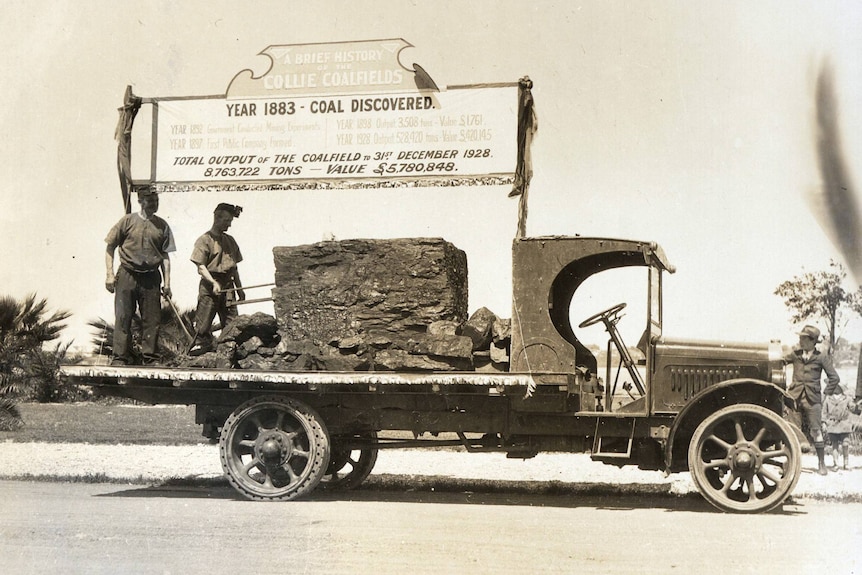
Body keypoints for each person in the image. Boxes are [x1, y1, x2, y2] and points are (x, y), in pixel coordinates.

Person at [105, 187, 175, 365]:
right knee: (123, 317)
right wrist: (109, 275)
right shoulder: (127, 221)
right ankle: (120, 357)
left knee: (152, 319)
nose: (154, 203)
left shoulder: (162, 225)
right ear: (140, 201)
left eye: (156, 200)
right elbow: (110, 247)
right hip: (127, 275)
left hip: (151, 278)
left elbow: (166, 256)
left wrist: (167, 284)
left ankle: (150, 358)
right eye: (150, 200)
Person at [783, 324, 840, 475]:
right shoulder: (795, 354)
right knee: (792, 431)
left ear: (812, 341)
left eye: (803, 338)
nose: (800, 340)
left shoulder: (821, 357)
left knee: (816, 431)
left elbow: (834, 378)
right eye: (800, 337)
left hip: (813, 399)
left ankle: (821, 464)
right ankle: (790, 465)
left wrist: (825, 394)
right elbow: (779, 362)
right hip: (794, 398)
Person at [189, 203, 245, 354]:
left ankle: (229, 353)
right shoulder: (204, 240)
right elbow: (201, 267)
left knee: (233, 324)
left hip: (228, 287)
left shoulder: (231, 241)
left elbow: (234, 268)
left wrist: (240, 289)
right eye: (226, 221)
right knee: (202, 326)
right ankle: (201, 355)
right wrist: (213, 283)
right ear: (216, 217)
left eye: (230, 221)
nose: (229, 224)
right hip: (209, 286)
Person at [822, 385, 858, 470]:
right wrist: (823, 423)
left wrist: (856, 405)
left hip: (844, 424)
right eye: (834, 387)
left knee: (845, 444)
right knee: (834, 445)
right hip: (832, 424)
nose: (836, 389)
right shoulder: (828, 399)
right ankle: (836, 463)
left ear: (841, 389)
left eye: (838, 387)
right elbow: (824, 412)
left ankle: (846, 463)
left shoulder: (847, 399)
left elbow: (853, 408)